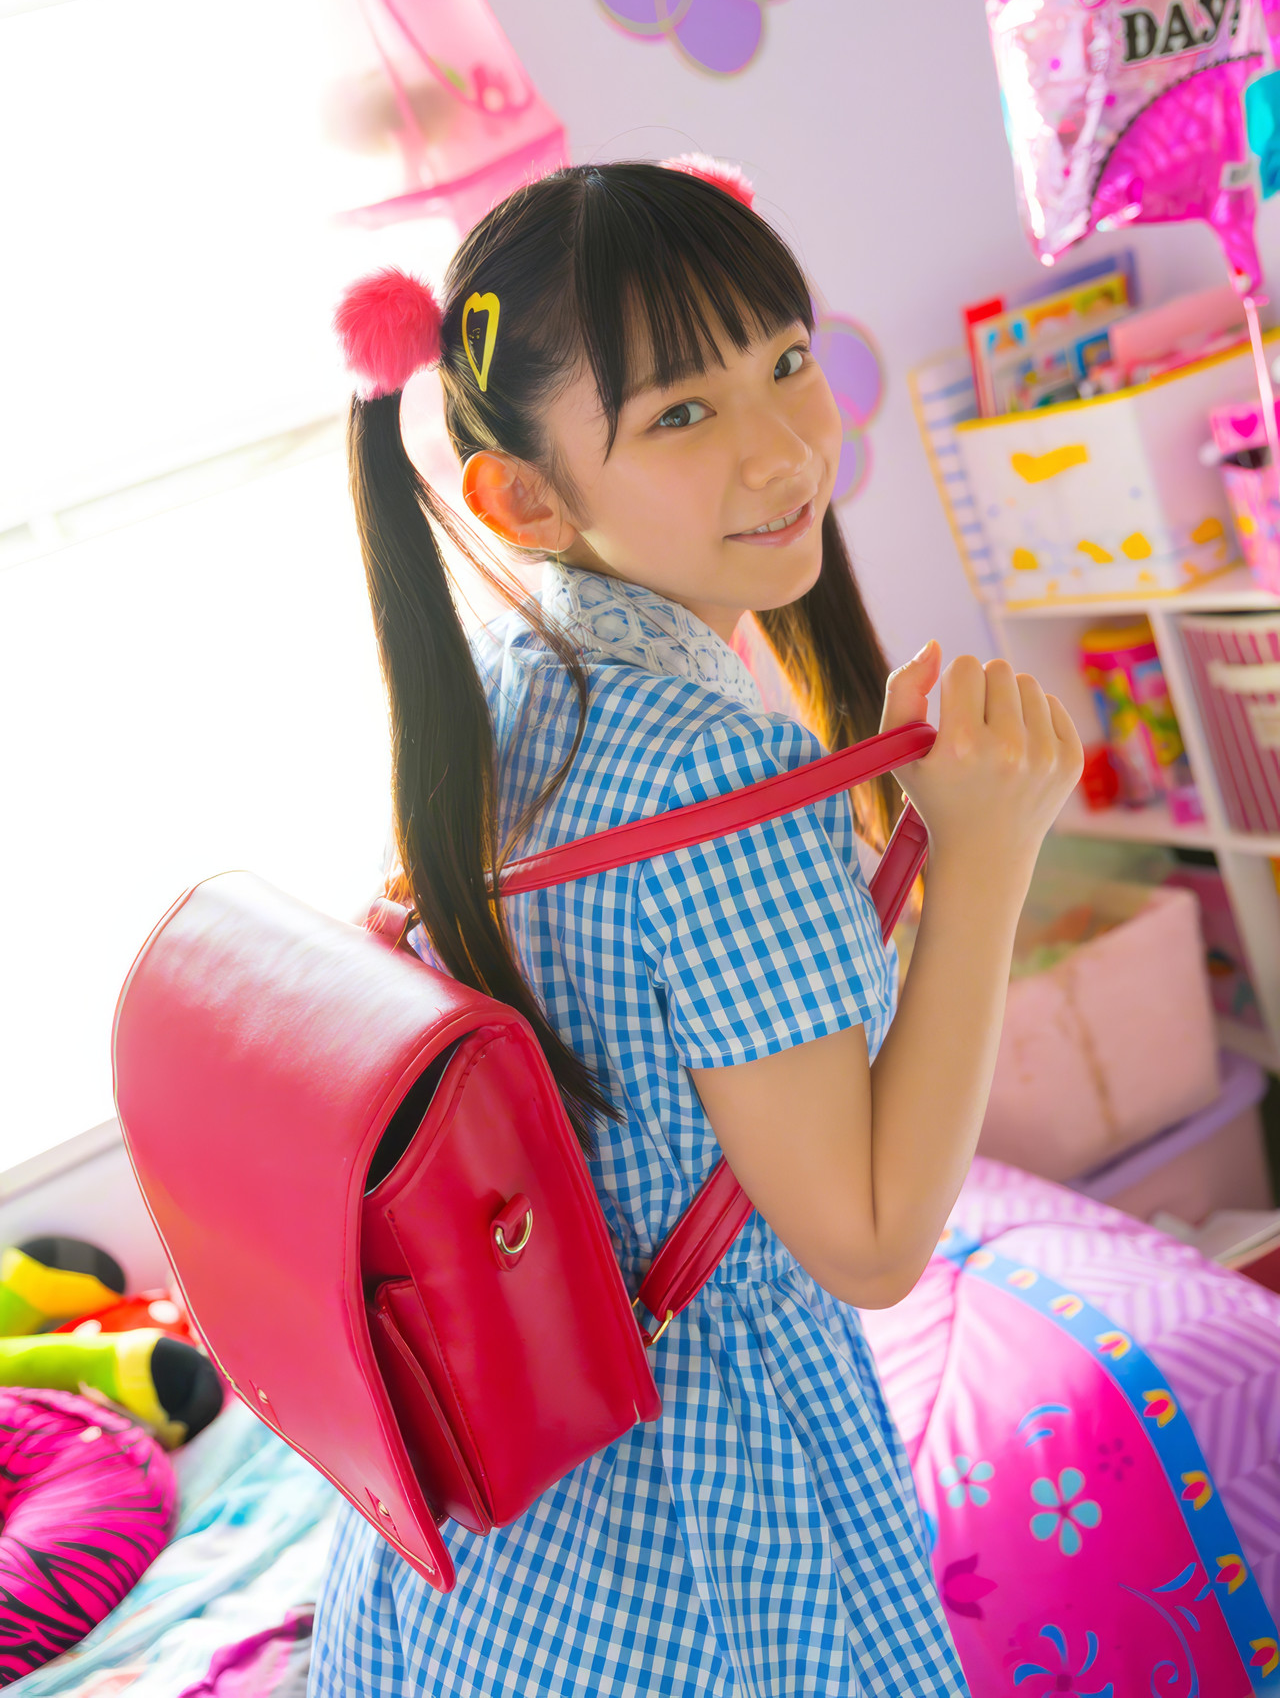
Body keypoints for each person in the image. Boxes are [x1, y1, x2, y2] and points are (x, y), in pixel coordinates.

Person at [307, 159, 1083, 1697]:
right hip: (687, 1532)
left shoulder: (513, 677)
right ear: (524, 497)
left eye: (785, 360)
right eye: (680, 413)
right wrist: (987, 858)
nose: (783, 444)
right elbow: (869, 1240)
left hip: (470, 1547)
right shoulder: (716, 765)